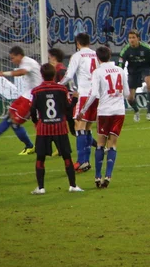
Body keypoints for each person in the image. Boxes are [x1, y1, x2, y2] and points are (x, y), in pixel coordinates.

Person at [78, 46, 129, 189]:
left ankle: (97, 177)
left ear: (97, 58)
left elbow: (94, 94)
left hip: (105, 111)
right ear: (110, 55)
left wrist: (83, 110)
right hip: (119, 111)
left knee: (100, 143)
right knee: (112, 143)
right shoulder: (120, 70)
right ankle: (108, 176)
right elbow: (126, 93)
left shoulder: (97, 72)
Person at [29, 63, 83, 194]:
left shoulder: (36, 91)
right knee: (67, 157)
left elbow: (32, 109)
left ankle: (41, 188)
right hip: (60, 127)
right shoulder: (62, 89)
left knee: (40, 158)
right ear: (54, 75)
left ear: (42, 75)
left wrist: (36, 122)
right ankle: (73, 186)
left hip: (43, 129)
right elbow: (68, 109)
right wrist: (75, 100)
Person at [0, 46, 40, 155]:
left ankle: (30, 146)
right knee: (10, 114)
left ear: (19, 56)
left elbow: (22, 72)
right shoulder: (26, 62)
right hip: (26, 95)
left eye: (13, 58)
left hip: (33, 97)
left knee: (15, 123)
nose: (12, 61)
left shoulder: (28, 62)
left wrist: (4, 73)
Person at [58, 33, 97, 173]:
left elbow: (68, 75)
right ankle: (86, 161)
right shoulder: (95, 54)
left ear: (77, 44)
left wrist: (57, 85)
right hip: (96, 95)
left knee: (79, 127)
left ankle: (81, 161)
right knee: (87, 127)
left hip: (85, 94)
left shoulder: (77, 55)